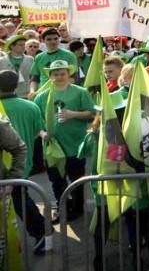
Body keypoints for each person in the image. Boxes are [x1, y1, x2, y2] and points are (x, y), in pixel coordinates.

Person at [34, 60, 95, 222]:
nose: (59, 77)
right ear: (50, 76)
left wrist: (74, 114)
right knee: (56, 181)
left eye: (63, 73)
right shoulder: (42, 96)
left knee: (76, 180)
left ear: (69, 74)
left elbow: (92, 113)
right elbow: (36, 123)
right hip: (52, 148)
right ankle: (62, 208)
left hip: (76, 146)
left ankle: (77, 209)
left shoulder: (80, 92)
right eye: (56, 74)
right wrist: (42, 134)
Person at [0, 70, 47, 253]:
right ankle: (41, 233)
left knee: (20, 203)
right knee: (20, 201)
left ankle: (41, 231)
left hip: (9, 170)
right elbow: (37, 132)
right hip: (23, 166)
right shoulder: (30, 106)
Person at [28, 28, 79, 95]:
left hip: (64, 94)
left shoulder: (69, 55)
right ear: (43, 41)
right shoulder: (39, 57)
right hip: (43, 94)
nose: (53, 41)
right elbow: (35, 78)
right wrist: (32, 91)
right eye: (49, 39)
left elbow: (74, 77)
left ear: (59, 39)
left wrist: (58, 85)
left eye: (56, 39)